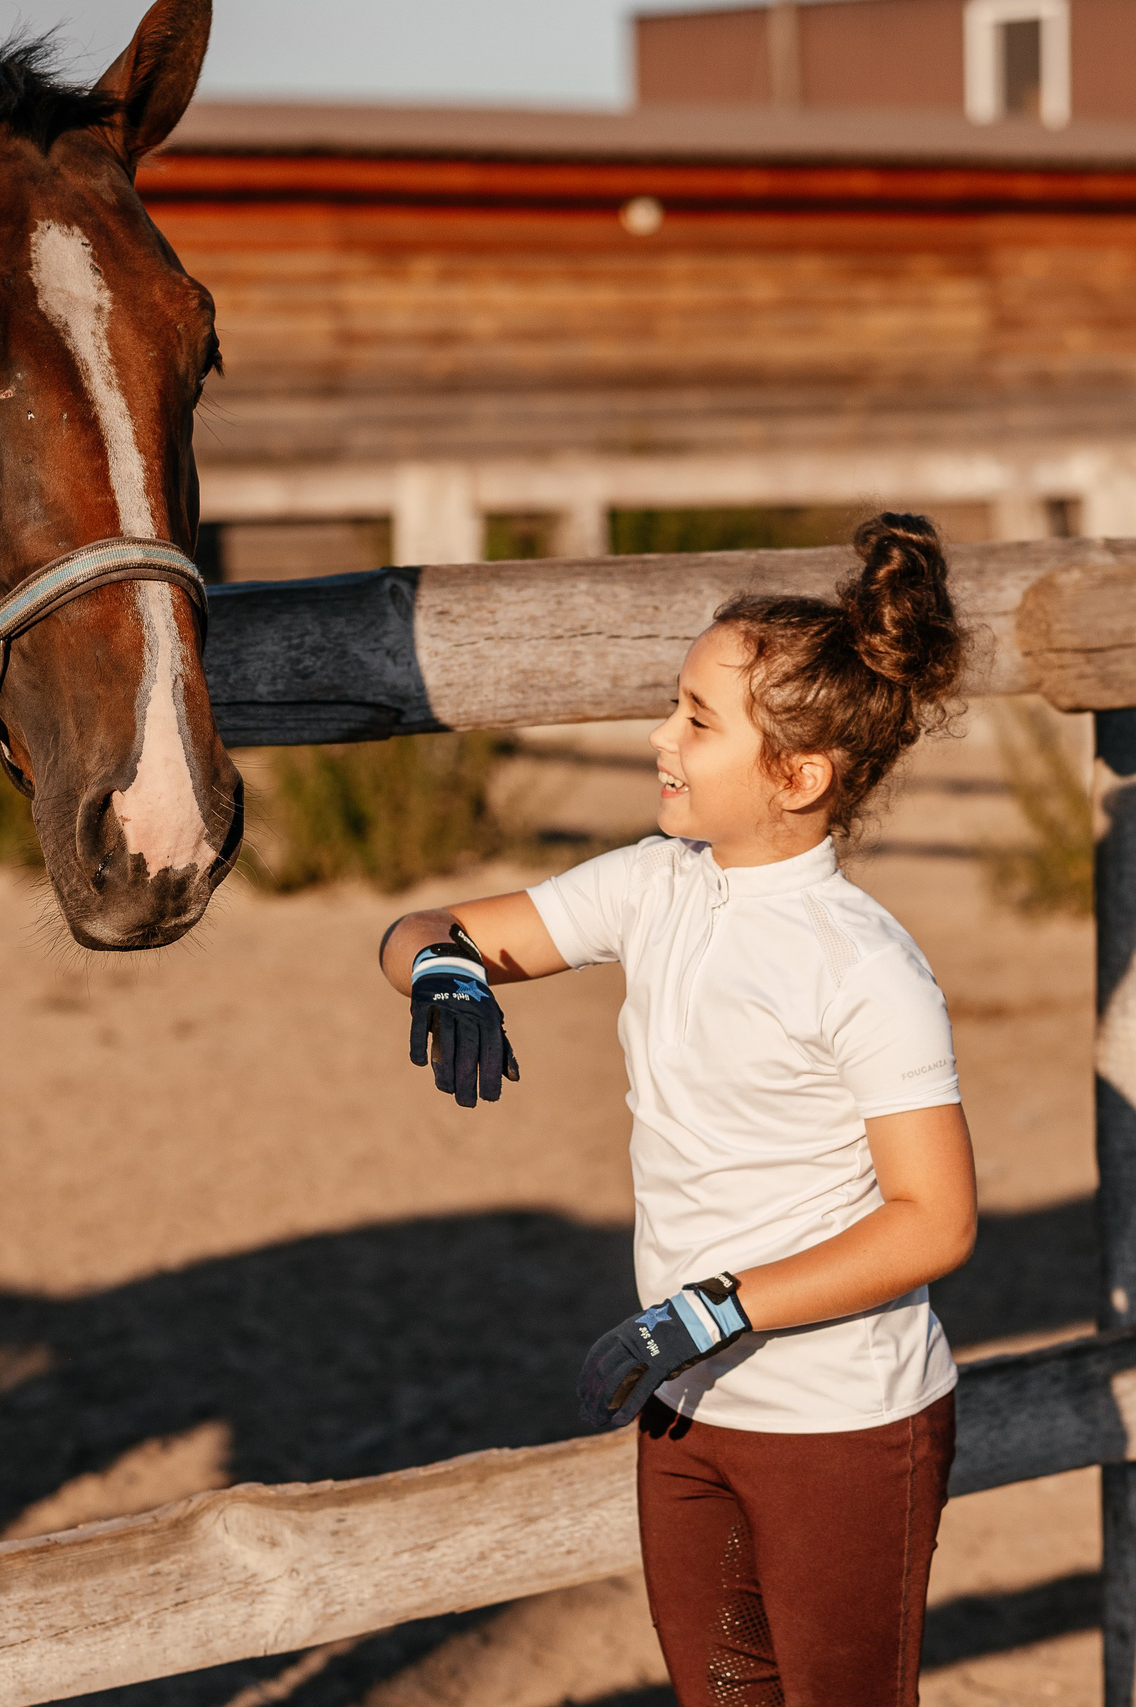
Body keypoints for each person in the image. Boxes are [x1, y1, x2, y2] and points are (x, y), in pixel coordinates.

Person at [376, 513, 977, 1705]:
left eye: (698, 720)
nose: (661, 735)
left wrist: (716, 1310)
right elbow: (425, 930)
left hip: (840, 1424)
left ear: (799, 778)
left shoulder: (865, 967)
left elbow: (933, 1221)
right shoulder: (654, 887)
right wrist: (443, 966)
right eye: (675, 704)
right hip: (685, 1404)